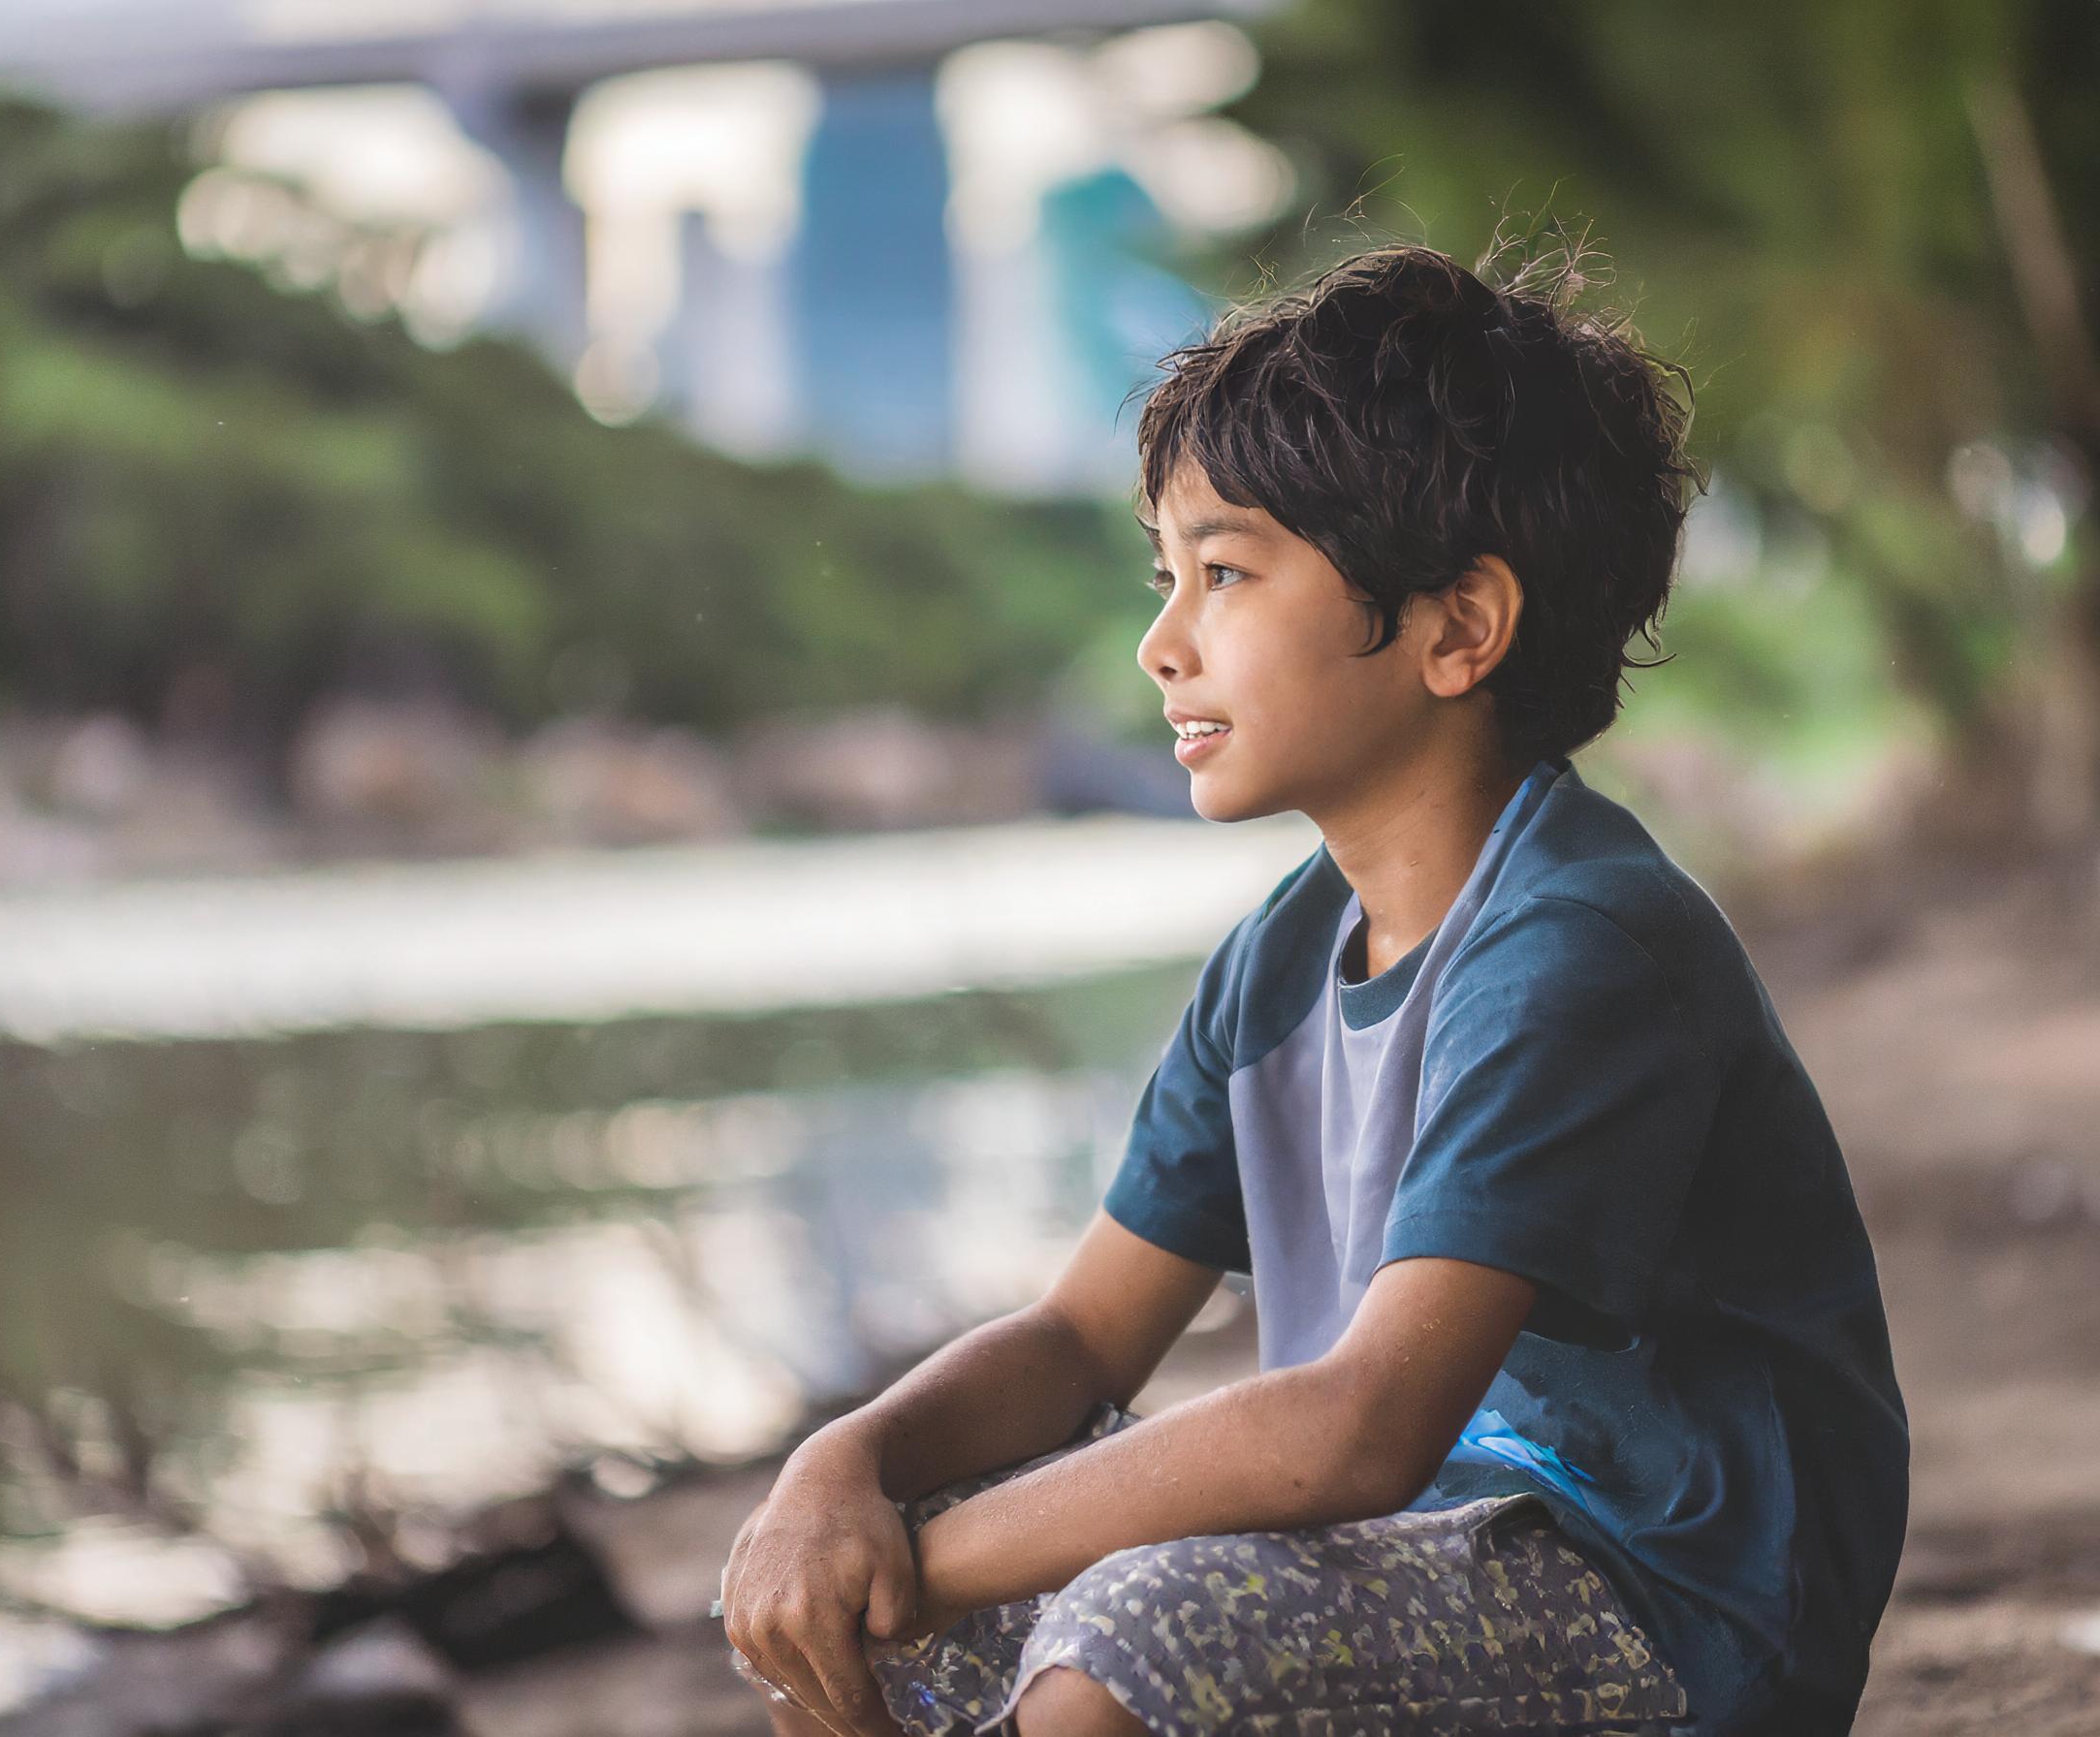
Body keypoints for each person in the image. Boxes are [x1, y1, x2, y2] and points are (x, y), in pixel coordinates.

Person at [716, 241, 1909, 1737]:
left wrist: (924, 1562)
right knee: (846, 1614)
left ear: (1459, 626)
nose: (1163, 647)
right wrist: (844, 1471)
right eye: (1168, 579)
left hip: (1675, 1620)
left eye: (1224, 575)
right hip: (1430, 1560)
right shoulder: (1285, 958)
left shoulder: (1583, 947)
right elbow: (1084, 1339)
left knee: (1121, 1639)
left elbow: (1363, 1429)